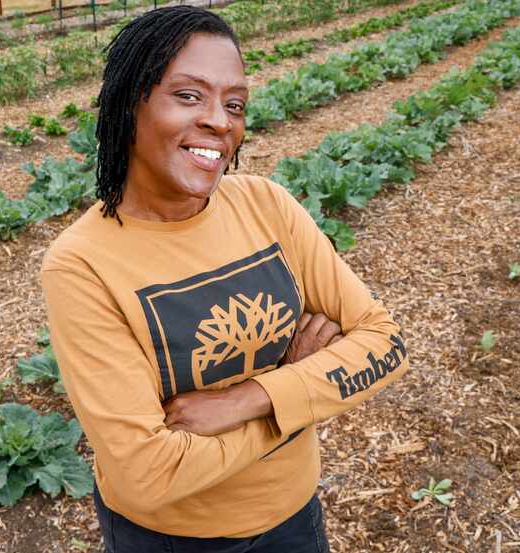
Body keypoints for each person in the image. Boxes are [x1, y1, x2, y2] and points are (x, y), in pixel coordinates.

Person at [41, 6, 409, 552]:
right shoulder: (82, 263)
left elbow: (385, 344)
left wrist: (251, 397)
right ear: (129, 103)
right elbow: (149, 473)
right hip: (172, 537)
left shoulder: (265, 204)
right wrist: (299, 395)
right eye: (189, 95)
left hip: (293, 515)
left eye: (234, 103)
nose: (220, 120)